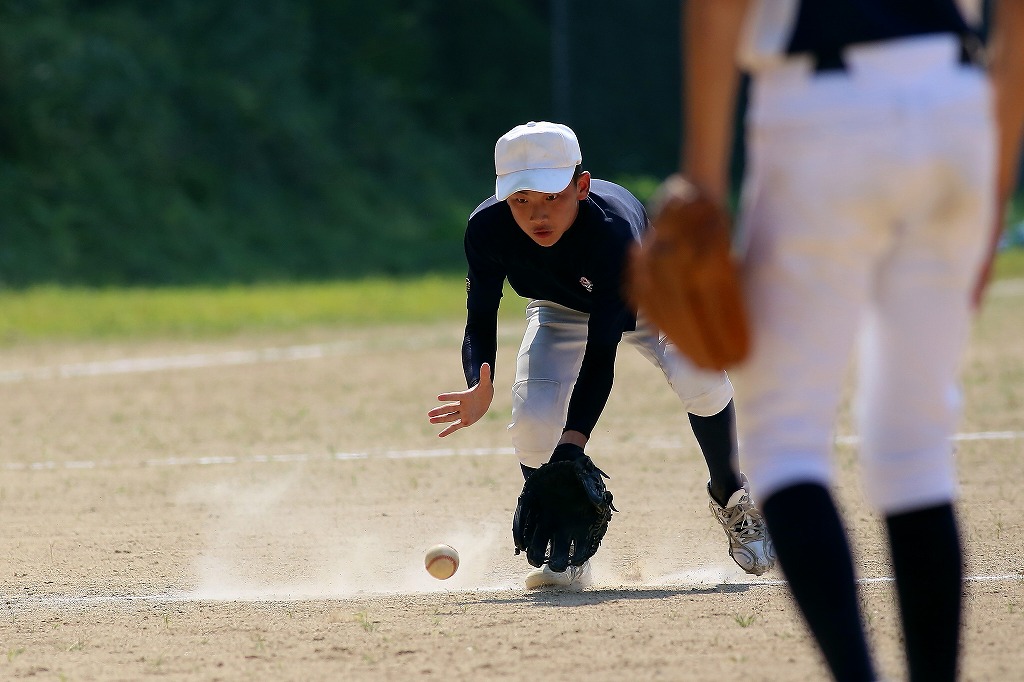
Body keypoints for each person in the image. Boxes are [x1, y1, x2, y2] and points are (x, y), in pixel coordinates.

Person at [676, 1, 1024, 680]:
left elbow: (718, 10)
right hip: (956, 108)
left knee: (785, 440)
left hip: (820, 111)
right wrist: (994, 192)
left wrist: (703, 188)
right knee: (916, 447)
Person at [427, 120, 775, 588]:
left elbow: (601, 351)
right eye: (521, 200)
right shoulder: (487, 228)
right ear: (501, 195)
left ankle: (730, 493)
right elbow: (480, 315)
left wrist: (573, 445)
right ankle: (563, 537)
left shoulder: (612, 235)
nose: (537, 215)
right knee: (531, 423)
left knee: (700, 375)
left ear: (582, 186)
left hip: (651, 295)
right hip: (557, 306)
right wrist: (479, 380)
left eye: (552, 196)